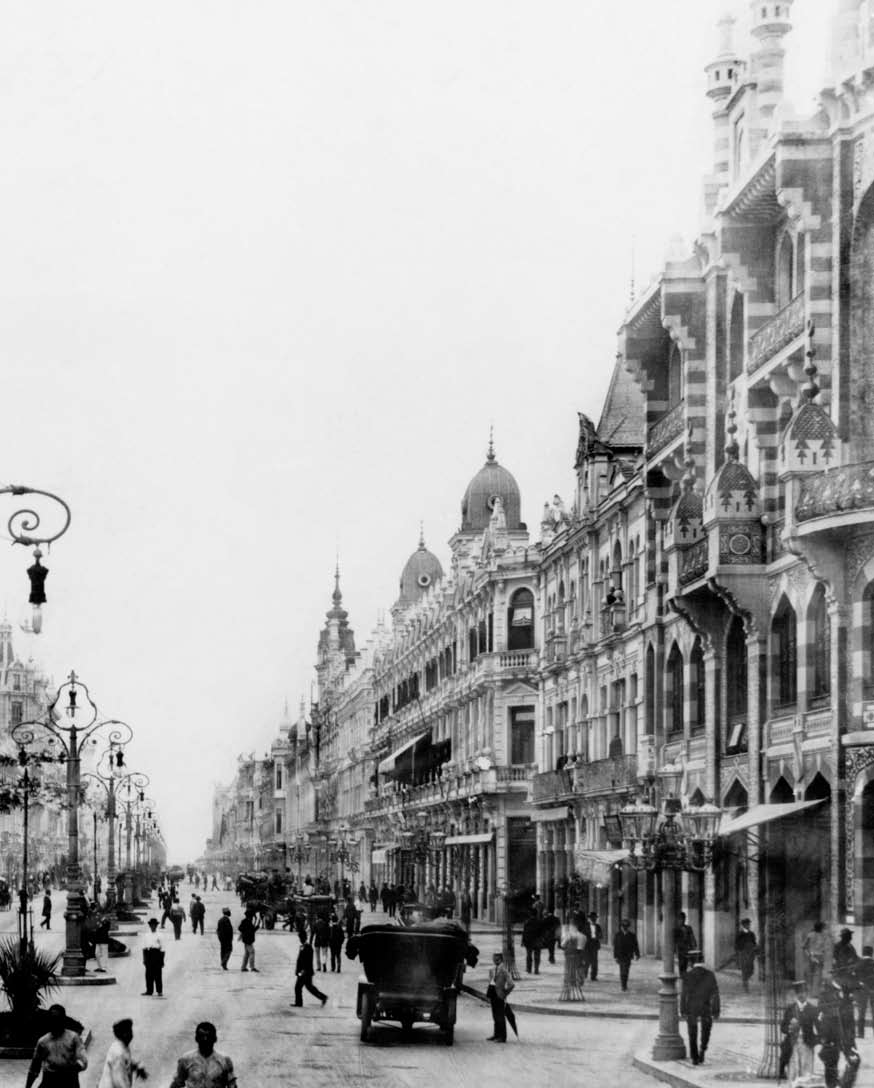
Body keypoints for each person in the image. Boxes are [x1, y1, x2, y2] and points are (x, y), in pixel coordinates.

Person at [25, 1004, 87, 1088]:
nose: (55, 1022)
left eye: (58, 1019)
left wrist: (73, 1069)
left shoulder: (73, 1038)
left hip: (69, 1081)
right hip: (49, 1080)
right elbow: (34, 1068)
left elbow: (83, 1060)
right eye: (52, 1019)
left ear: (63, 1020)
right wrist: (28, 1086)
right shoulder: (43, 1042)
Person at [818, 973, 860, 1088]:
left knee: (852, 1060)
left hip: (843, 1036)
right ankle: (835, 1083)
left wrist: (850, 1037)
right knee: (831, 1063)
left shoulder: (844, 996)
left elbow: (849, 1022)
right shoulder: (825, 994)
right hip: (832, 1036)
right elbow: (821, 1012)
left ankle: (842, 1083)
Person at [680, 949, 720, 1066]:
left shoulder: (687, 976)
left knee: (692, 1032)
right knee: (706, 1029)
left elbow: (684, 995)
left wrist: (683, 1010)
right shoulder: (710, 975)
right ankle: (703, 1049)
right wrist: (716, 1010)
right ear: (702, 960)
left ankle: (694, 1057)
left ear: (691, 963)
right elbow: (715, 994)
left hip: (692, 1007)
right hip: (705, 1006)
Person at [169, 1022, 237, 1088]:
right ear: (196, 1038)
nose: (205, 1039)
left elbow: (232, 1084)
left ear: (215, 1039)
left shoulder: (224, 1060)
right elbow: (177, 1083)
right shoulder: (186, 1059)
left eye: (209, 1036)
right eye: (201, 1036)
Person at [779, 979, 819, 1082]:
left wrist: (814, 1041)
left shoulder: (812, 1009)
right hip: (793, 1044)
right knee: (793, 1071)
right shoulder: (790, 1009)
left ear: (807, 994)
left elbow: (819, 1028)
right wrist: (790, 1029)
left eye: (804, 992)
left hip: (807, 1044)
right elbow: (782, 1027)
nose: (801, 995)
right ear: (796, 994)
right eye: (799, 993)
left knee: (806, 1072)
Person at [97, 1018, 148, 1088]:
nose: (131, 1034)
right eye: (129, 1031)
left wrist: (136, 1066)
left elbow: (126, 1060)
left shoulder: (121, 1045)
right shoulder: (118, 1052)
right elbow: (119, 1080)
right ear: (124, 1034)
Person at [293, 935, 328, 1007]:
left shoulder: (307, 947)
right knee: (309, 987)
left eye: (301, 938)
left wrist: (302, 971)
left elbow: (306, 961)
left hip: (305, 972)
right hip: (306, 971)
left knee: (298, 987)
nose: (300, 939)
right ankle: (323, 997)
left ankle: (299, 1003)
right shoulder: (304, 946)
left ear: (304, 938)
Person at [487, 950, 514, 1042]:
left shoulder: (504, 970)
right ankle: (496, 1034)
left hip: (500, 995)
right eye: (494, 958)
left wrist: (505, 993)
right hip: (493, 994)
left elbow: (511, 984)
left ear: (501, 959)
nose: (495, 960)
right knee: (495, 1015)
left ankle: (502, 1037)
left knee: (500, 1016)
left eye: (497, 959)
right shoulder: (492, 969)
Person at [613, 918, 640, 992]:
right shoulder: (618, 935)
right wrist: (615, 956)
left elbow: (635, 945)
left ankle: (624, 984)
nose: (624, 928)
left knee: (626, 970)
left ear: (628, 927)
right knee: (622, 970)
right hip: (620, 956)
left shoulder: (632, 935)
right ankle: (623, 985)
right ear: (621, 926)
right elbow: (615, 946)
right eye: (623, 926)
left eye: (626, 926)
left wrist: (637, 954)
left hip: (628, 955)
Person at [802, 921, 827, 996]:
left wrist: (809, 955)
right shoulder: (819, 935)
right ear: (820, 928)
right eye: (822, 927)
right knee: (816, 975)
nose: (822, 929)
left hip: (815, 956)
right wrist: (809, 955)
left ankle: (813, 993)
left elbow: (803, 947)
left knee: (814, 975)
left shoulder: (813, 935)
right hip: (815, 957)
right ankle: (812, 994)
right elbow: (804, 947)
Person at [141, 917, 164, 997]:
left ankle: (159, 991)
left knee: (158, 974)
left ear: (156, 926)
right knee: (148, 974)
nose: (153, 926)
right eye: (151, 925)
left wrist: (162, 960)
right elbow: (144, 948)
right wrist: (144, 959)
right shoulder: (146, 935)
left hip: (157, 954)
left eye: (154, 925)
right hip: (149, 954)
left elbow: (162, 948)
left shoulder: (160, 935)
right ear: (150, 926)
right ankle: (149, 990)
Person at [855, 944, 874, 1039]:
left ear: (863, 953)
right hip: (873, 989)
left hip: (862, 990)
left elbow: (854, 978)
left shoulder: (858, 964)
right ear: (872, 953)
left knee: (861, 1012)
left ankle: (861, 1033)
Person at [735, 918, 757, 992]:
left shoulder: (752, 934)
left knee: (751, 970)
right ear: (743, 925)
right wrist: (740, 951)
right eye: (746, 924)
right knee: (744, 969)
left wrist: (754, 949)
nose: (748, 925)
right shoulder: (740, 934)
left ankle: (745, 980)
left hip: (751, 954)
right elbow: (737, 944)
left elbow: (754, 943)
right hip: (743, 953)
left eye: (748, 924)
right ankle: (745, 985)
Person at [674, 911, 697, 977]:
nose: (682, 920)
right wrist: (675, 951)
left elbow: (692, 937)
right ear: (678, 920)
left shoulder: (688, 928)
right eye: (680, 919)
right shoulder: (676, 929)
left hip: (688, 949)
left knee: (689, 964)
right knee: (682, 965)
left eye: (683, 919)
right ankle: (683, 976)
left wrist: (694, 946)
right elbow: (675, 941)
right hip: (681, 950)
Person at [521, 910, 542, 975]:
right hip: (537, 941)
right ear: (536, 914)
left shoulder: (527, 922)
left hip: (529, 941)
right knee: (537, 956)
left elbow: (524, 932)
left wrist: (523, 941)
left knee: (529, 956)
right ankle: (536, 970)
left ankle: (529, 969)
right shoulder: (539, 922)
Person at [238, 908, 259, 972]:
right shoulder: (247, 922)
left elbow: (241, 928)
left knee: (247, 954)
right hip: (248, 940)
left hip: (247, 939)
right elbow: (250, 931)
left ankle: (243, 967)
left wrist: (255, 928)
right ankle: (252, 967)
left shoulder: (245, 921)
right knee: (252, 952)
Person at [587, 911, 603, 980]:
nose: (593, 920)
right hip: (587, 945)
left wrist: (598, 936)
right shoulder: (586, 926)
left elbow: (601, 935)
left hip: (594, 945)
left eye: (594, 918)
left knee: (594, 961)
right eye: (592, 918)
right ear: (589, 919)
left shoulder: (598, 926)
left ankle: (593, 976)